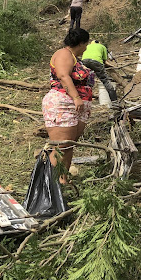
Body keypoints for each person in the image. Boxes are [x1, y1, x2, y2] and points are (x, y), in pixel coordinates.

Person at [42, 28, 94, 184]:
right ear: (81, 43)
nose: (86, 48)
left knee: (68, 145)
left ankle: (62, 180)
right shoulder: (64, 54)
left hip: (74, 106)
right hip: (63, 104)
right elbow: (63, 76)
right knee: (61, 146)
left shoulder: (73, 57)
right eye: (86, 45)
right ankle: (50, 183)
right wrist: (76, 97)